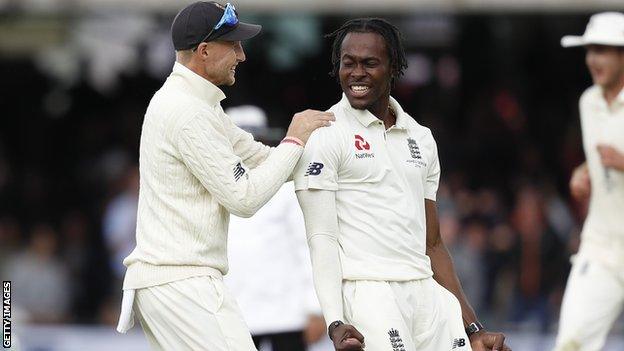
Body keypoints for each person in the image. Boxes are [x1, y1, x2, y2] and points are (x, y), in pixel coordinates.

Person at [115, 2, 334, 350]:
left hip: (175, 283)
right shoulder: (187, 112)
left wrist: (336, 161)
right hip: (183, 283)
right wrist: (294, 138)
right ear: (204, 51)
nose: (242, 55)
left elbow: (262, 157)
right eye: (232, 45)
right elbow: (243, 199)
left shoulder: (199, 104)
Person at [293, 18, 510, 351]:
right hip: (370, 293)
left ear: (393, 67)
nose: (356, 73)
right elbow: (321, 239)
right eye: (347, 64)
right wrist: (335, 320)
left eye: (369, 63)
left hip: (427, 294)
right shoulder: (325, 135)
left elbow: (433, 243)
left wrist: (474, 327)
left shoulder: (421, 138)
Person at [224, 105, 327, 351]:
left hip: (287, 313)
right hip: (233, 313)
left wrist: (315, 308)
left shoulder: (286, 185)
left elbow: (308, 247)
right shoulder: (216, 185)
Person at [554, 12, 624, 351]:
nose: (593, 59)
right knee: (572, 343)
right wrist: (584, 170)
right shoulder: (589, 101)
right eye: (590, 50)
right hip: (602, 246)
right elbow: (599, 156)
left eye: (603, 50)